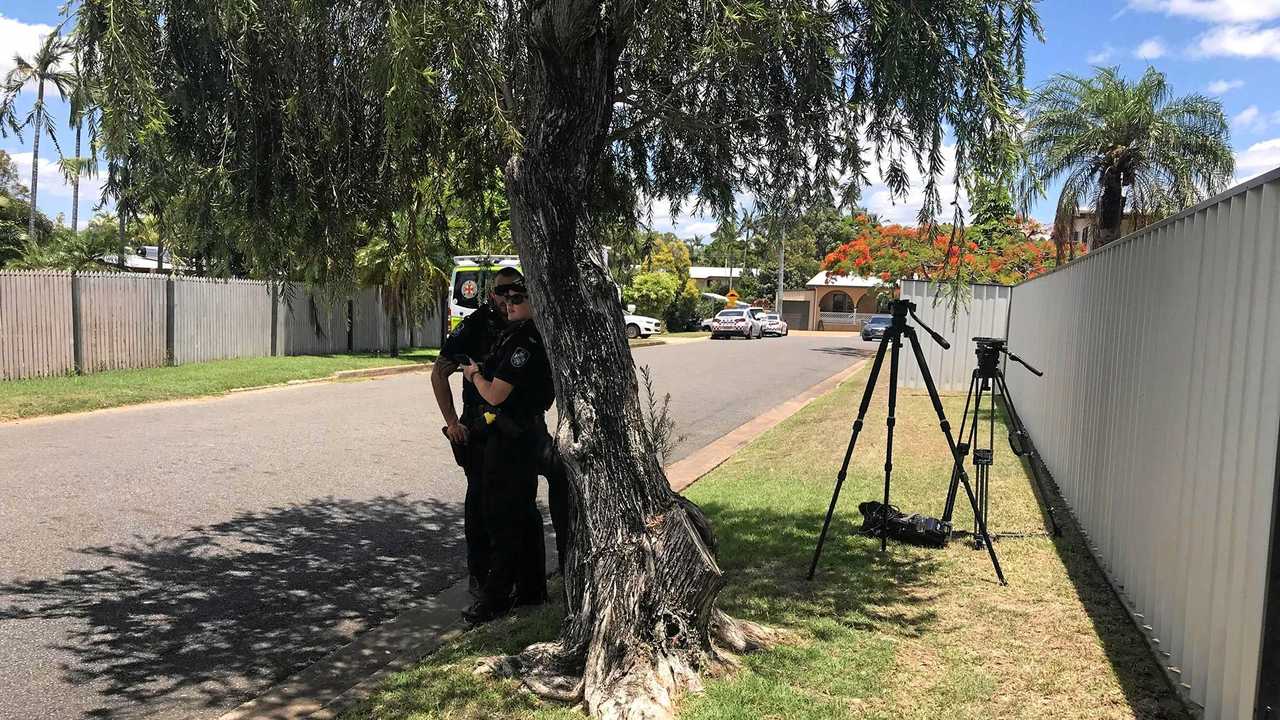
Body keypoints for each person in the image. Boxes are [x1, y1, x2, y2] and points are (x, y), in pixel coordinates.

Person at [460, 280, 557, 622]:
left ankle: (496, 597)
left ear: (535, 302)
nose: (509, 304)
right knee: (524, 514)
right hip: (518, 433)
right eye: (505, 297)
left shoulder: (524, 341)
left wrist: (473, 376)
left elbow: (496, 394)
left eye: (518, 299)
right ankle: (531, 591)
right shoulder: (519, 334)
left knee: (501, 516)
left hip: (512, 436)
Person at [432, 267, 522, 600]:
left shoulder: (523, 321)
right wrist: (452, 422)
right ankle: (480, 576)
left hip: (518, 428)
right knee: (481, 502)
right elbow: (438, 373)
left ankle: (514, 577)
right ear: (490, 294)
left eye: (515, 292)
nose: (507, 298)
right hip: (480, 429)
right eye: (502, 292)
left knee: (517, 502)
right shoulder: (473, 327)